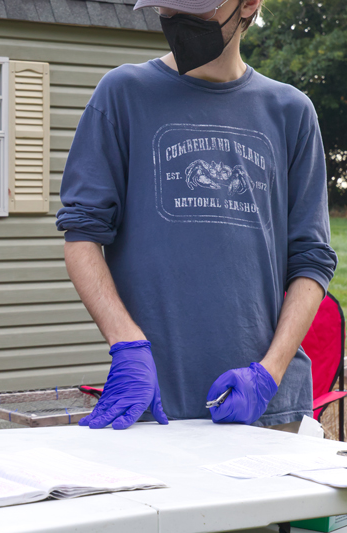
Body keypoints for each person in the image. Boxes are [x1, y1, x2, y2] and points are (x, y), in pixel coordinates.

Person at [57, 0, 337, 431]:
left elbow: (312, 260)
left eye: (196, 6)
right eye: (168, 5)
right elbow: (81, 236)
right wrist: (126, 344)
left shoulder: (291, 112)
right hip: (156, 406)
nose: (176, 17)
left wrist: (269, 373)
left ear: (249, 5)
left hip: (267, 410)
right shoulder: (123, 94)